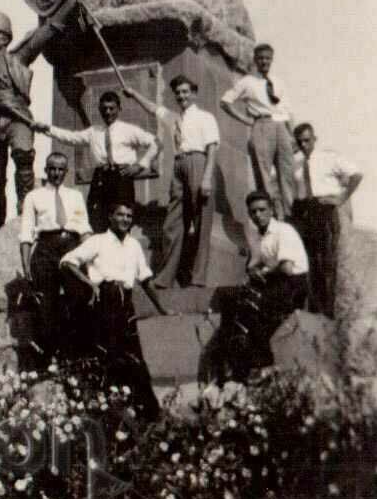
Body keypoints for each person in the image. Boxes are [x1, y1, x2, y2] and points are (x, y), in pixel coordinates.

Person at [0, 6, 73, 244]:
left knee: (24, 155)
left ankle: (25, 217)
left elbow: (44, 34)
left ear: (7, 37)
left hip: (17, 119)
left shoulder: (18, 58)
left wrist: (68, 6)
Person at [60, 202, 173, 421]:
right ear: (110, 217)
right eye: (120, 214)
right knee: (108, 356)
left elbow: (146, 279)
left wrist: (161, 308)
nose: (125, 219)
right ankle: (107, 415)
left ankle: (146, 416)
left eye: (129, 216)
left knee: (134, 358)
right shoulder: (98, 241)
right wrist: (90, 284)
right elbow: (67, 262)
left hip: (126, 305)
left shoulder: (134, 246)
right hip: (106, 304)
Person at [125, 75, 220, 288]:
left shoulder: (205, 117)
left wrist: (206, 177)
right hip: (179, 165)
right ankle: (166, 276)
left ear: (193, 93)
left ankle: (198, 277)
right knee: (172, 222)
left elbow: (212, 147)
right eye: (178, 93)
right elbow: (153, 108)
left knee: (201, 221)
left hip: (198, 161)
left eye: (185, 91)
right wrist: (134, 95)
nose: (181, 96)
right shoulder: (174, 117)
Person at [208, 191, 309, 383]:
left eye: (262, 210)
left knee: (255, 308)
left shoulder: (283, 231)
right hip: (276, 280)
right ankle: (232, 364)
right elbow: (258, 262)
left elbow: (286, 268)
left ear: (271, 210)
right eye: (253, 212)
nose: (258, 215)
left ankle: (264, 364)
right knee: (233, 300)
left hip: (294, 283)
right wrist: (254, 272)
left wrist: (262, 272)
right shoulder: (259, 235)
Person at [34, 90, 158, 232]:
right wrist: (48, 129)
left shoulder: (129, 130)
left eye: (112, 108)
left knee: (121, 221)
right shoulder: (93, 132)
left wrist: (140, 165)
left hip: (122, 178)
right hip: (100, 178)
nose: (108, 112)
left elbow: (156, 143)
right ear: (99, 109)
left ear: (119, 109)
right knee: (96, 219)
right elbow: (70, 137)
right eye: (104, 108)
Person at [19, 152, 92, 363]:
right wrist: (26, 268)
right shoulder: (34, 196)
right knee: (46, 304)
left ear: (66, 172)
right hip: (45, 249)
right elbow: (26, 234)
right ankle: (47, 359)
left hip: (71, 247)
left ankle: (74, 357)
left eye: (61, 169)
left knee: (78, 298)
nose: (56, 173)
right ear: (46, 170)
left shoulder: (75, 196)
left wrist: (91, 259)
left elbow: (84, 229)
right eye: (52, 168)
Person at [291, 123, 363, 319]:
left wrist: (341, 198)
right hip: (305, 210)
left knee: (328, 259)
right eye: (300, 141)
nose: (304, 145)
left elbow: (357, 174)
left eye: (307, 140)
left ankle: (329, 310)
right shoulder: (295, 162)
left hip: (325, 208)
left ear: (315, 138)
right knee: (310, 260)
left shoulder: (328, 157)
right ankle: (315, 309)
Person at [220, 43, 295, 218]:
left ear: (271, 60)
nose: (264, 61)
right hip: (261, 126)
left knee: (287, 174)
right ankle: (272, 218)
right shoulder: (247, 82)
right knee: (264, 176)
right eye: (260, 58)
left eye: (267, 58)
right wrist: (246, 120)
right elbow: (225, 102)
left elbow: (288, 111)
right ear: (255, 59)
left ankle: (290, 216)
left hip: (281, 126)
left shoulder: (278, 82)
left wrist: (291, 135)